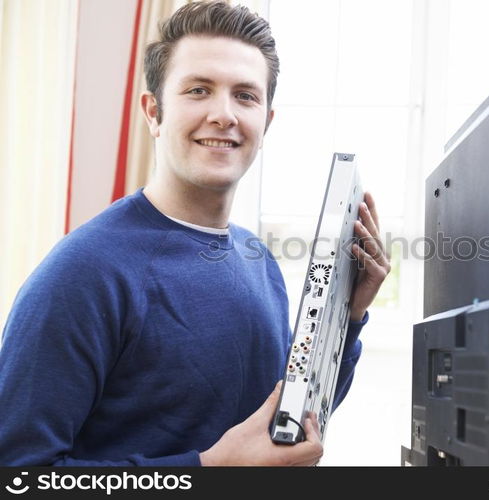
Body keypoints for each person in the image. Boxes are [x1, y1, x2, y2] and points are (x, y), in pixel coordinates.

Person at [0, 1, 390, 466]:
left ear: (265, 123)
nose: (224, 114)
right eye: (199, 89)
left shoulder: (257, 260)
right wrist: (209, 470)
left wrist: (349, 314)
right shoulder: (84, 273)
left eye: (245, 96)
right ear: (153, 114)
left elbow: (292, 423)